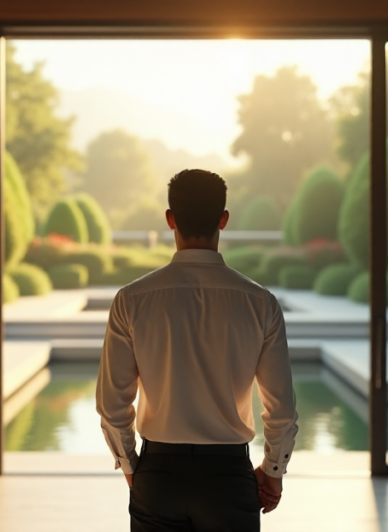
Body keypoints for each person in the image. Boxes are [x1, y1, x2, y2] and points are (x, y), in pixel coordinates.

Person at [96, 169, 299, 532]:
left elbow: (112, 406)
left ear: (170, 219)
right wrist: (273, 471)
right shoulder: (260, 303)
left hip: (158, 472)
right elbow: (281, 407)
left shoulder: (131, 300)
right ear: (223, 219)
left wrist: (132, 468)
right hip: (228, 475)